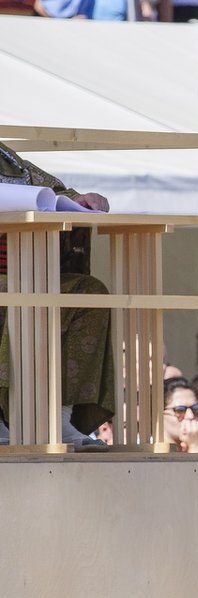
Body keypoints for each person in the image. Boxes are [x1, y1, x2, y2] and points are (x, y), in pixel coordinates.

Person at [0, 142, 113, 450]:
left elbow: (50, 190)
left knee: (89, 294)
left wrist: (80, 200)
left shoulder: (6, 158)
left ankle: (60, 417)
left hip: (22, 276)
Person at [162, 376, 198, 453]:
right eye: (180, 410)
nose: (191, 416)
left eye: (195, 409)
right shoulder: (149, 450)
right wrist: (195, 448)